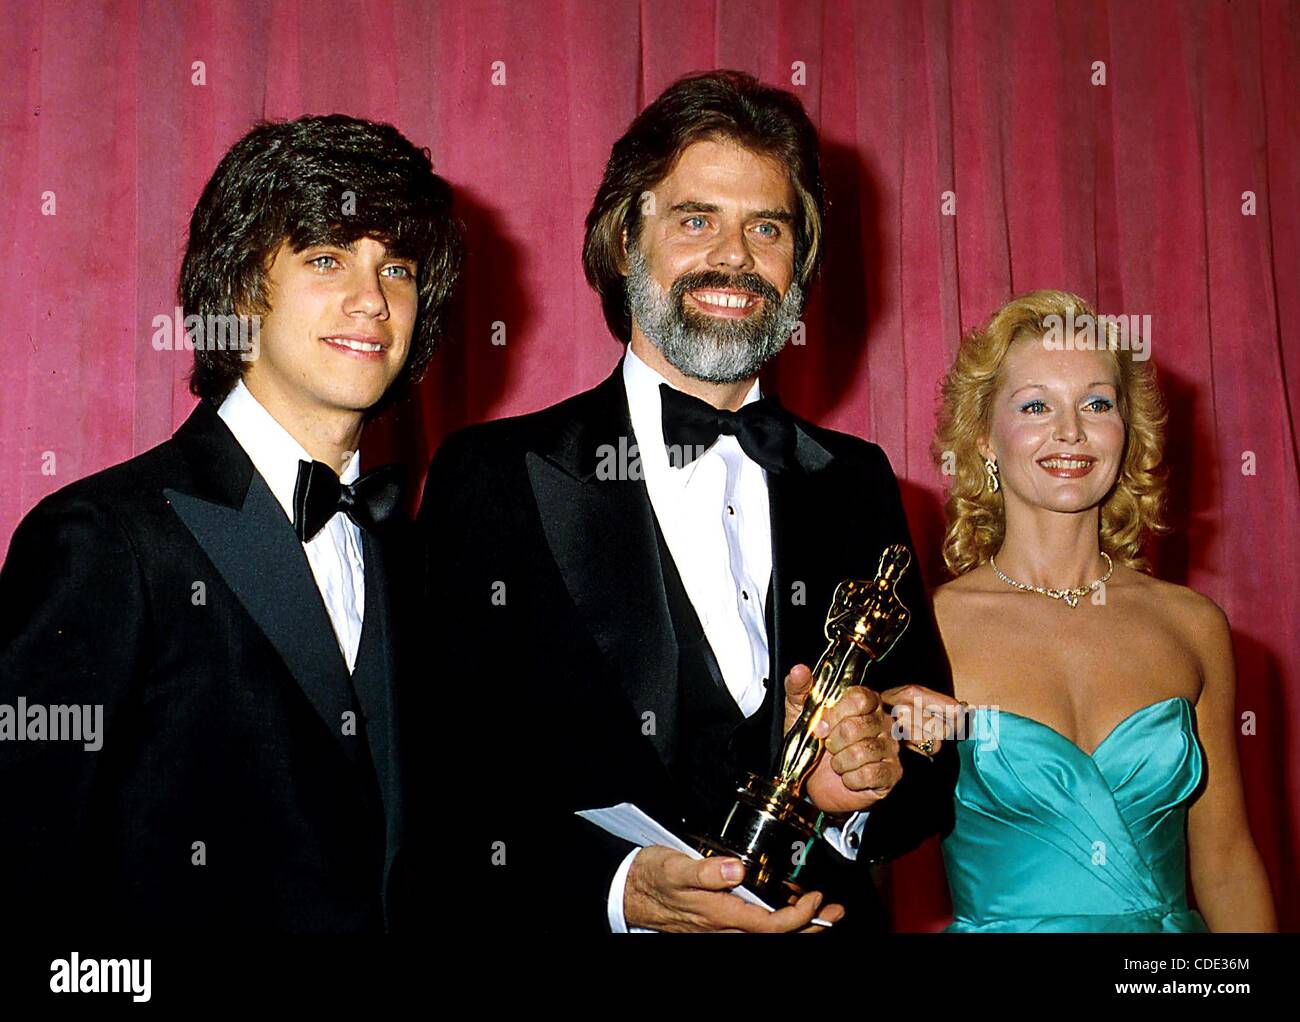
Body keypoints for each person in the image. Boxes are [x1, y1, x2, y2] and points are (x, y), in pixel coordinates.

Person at [420, 70, 956, 933]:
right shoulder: (492, 475)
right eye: (696, 219)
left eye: (767, 228)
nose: (735, 258)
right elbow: (439, 782)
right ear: (627, 239)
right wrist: (623, 887)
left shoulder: (855, 480)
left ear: (800, 262)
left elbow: (929, 756)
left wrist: (863, 787)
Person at [0, 114, 463, 933]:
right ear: (242, 289)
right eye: (327, 259)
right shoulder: (104, 539)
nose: (372, 299)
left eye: (396, 267)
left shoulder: (412, 552)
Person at [905, 289, 1277, 932]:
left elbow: (1225, 862)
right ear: (986, 438)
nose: (1070, 431)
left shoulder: (1192, 625)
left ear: (1127, 434)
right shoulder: (928, 628)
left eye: (1097, 404)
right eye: (1036, 405)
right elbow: (876, 860)